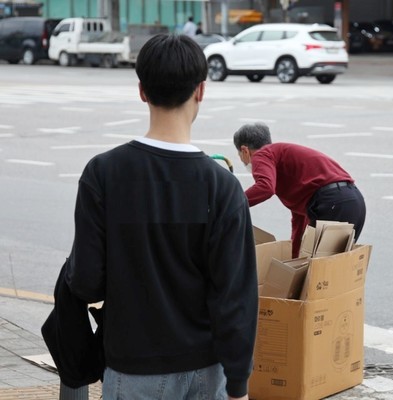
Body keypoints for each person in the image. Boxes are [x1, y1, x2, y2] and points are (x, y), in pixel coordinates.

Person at [65, 34, 257, 400]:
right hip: (207, 369)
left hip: (132, 367)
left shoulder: (103, 174)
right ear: (201, 91)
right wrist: (238, 384)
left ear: (142, 91)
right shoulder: (222, 186)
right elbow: (236, 296)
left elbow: (87, 283)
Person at [234, 122, 366, 258]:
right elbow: (299, 219)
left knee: (318, 265)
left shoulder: (262, 154)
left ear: (245, 150)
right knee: (332, 264)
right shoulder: (282, 160)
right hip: (353, 202)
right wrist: (294, 256)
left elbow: (265, 187)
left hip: (332, 202)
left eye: (240, 155)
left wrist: (232, 204)